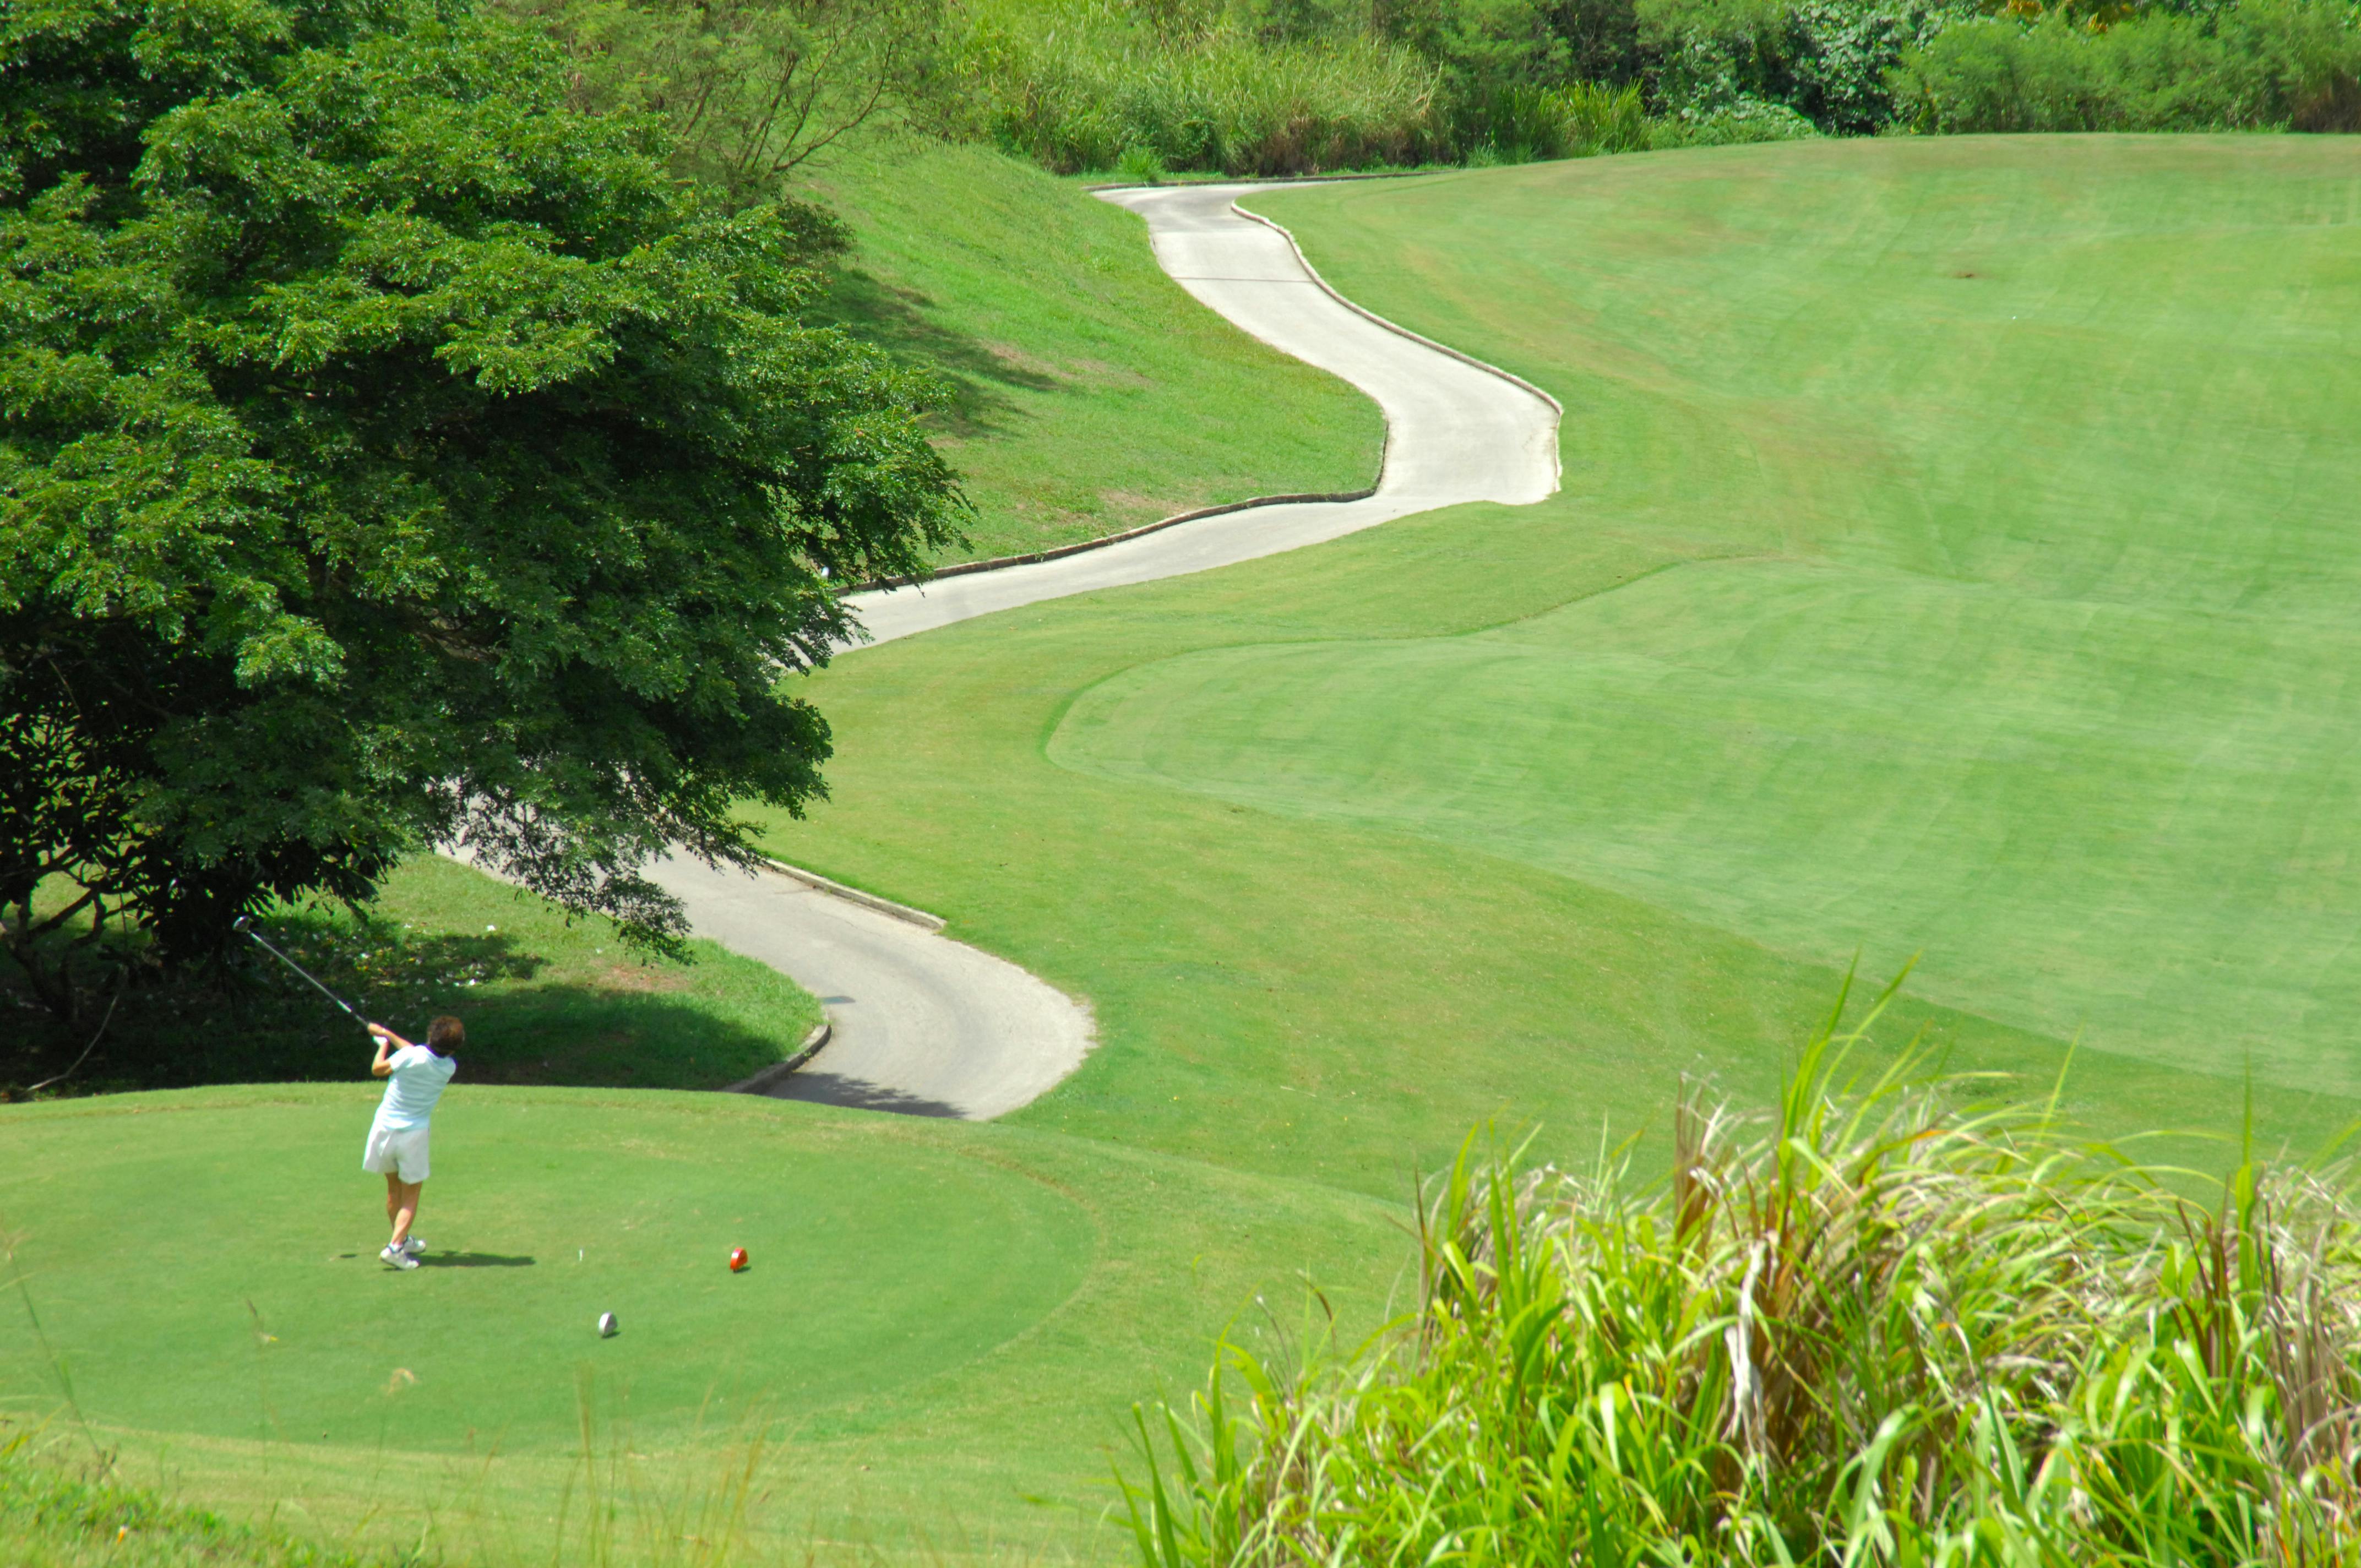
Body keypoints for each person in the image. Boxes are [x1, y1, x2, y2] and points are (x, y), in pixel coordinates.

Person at [362, 1016, 460, 1270]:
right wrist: (386, 1033)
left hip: (383, 1130)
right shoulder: (449, 1066)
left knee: (394, 1189)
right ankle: (395, 1248)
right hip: (413, 1136)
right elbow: (413, 1053)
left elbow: (378, 1068)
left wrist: (382, 1044)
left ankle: (402, 1239)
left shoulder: (410, 1057)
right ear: (453, 1048)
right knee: (412, 1193)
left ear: (430, 1037)